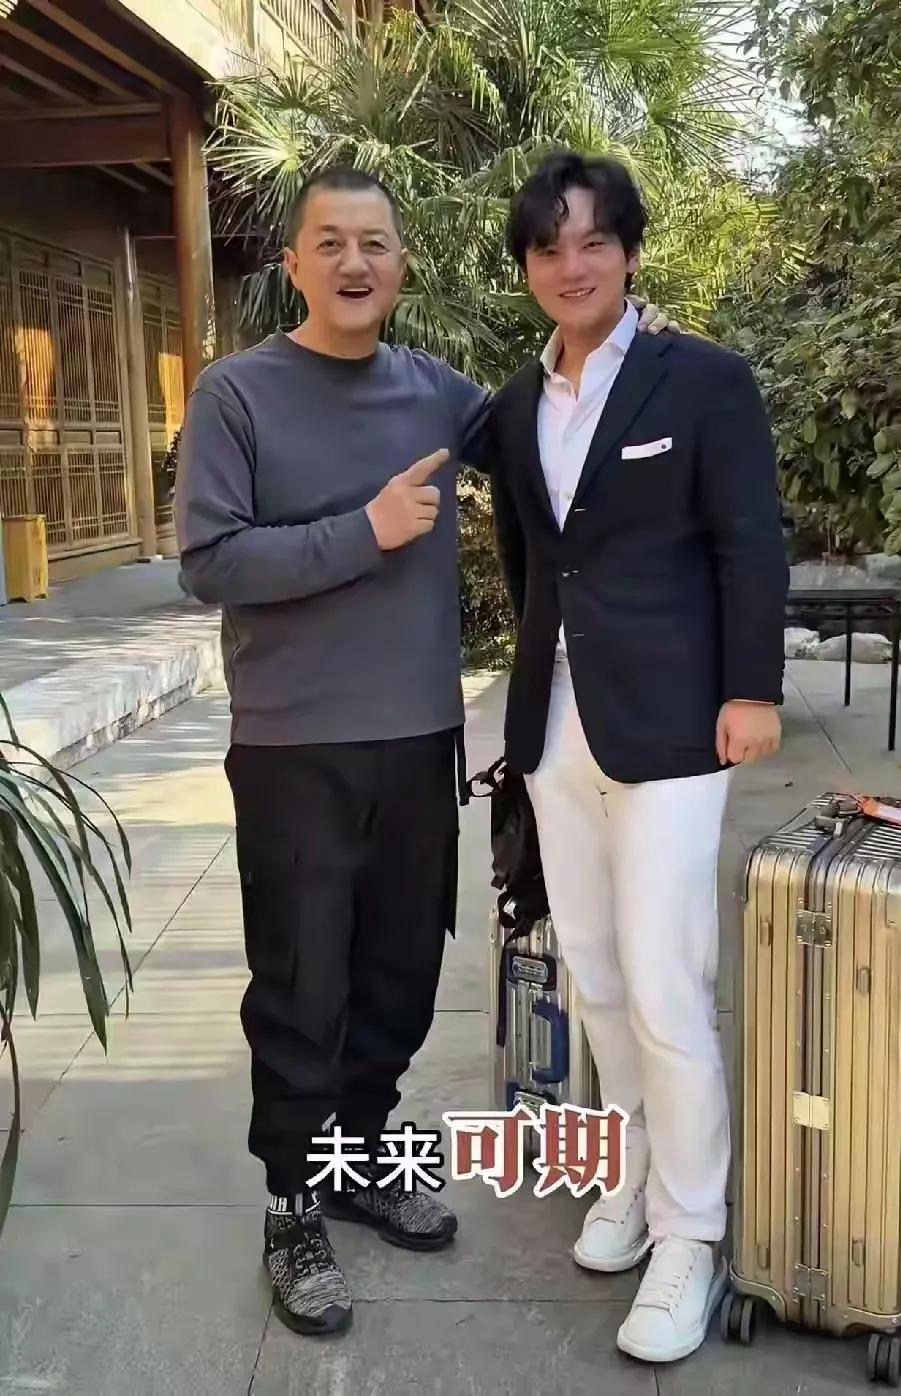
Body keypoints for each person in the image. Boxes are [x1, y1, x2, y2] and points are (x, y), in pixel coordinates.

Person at [173, 165, 671, 1339]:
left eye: (375, 244)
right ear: (294, 264)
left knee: (398, 974)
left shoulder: (439, 395)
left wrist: (636, 354)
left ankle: (353, 1155)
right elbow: (210, 561)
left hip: (417, 738)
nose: (355, 262)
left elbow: (564, 432)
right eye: (331, 242)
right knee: (303, 984)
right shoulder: (237, 393)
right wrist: (366, 531)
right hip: (294, 746)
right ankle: (292, 1203)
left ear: (402, 266)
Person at [484, 151, 788, 1365]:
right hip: (557, 725)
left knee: (666, 983)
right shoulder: (518, 401)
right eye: (548, 247)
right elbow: (528, 558)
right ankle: (631, 1170)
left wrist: (750, 687)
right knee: (598, 976)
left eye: (593, 241)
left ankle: (692, 1232)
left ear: (628, 250)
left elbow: (749, 540)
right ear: (528, 265)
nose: (572, 265)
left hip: (674, 726)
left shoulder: (703, 378)